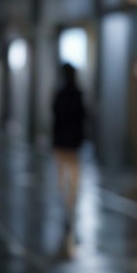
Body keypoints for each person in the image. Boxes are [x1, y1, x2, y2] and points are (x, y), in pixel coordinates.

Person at [52, 62, 86, 234]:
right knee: (73, 176)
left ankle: (66, 202)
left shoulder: (60, 93)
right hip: (73, 143)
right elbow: (83, 117)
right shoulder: (78, 94)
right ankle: (70, 203)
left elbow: (55, 117)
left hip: (61, 142)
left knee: (62, 176)